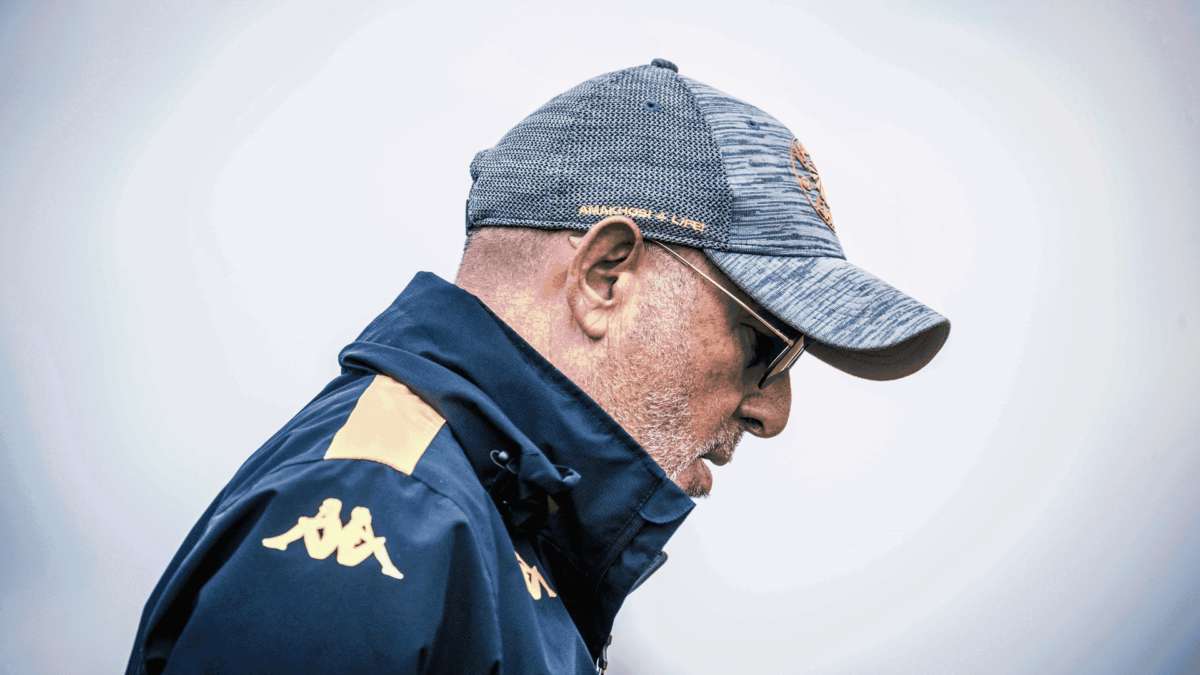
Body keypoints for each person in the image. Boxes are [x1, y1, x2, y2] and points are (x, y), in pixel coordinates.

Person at [127, 58, 950, 674]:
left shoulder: (491, 531)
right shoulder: (385, 516)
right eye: (766, 345)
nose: (774, 411)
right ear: (606, 277)